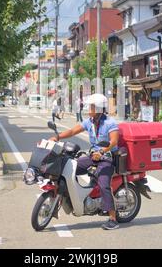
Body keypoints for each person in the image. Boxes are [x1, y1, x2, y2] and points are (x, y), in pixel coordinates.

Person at [49, 94, 120, 230]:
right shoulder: (89, 122)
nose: (89, 108)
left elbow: (114, 141)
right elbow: (72, 131)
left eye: (92, 106)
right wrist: (57, 137)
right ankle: (72, 199)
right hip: (92, 156)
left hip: (106, 158)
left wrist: (102, 152)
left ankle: (112, 218)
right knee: (68, 168)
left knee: (104, 184)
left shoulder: (110, 123)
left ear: (98, 108)